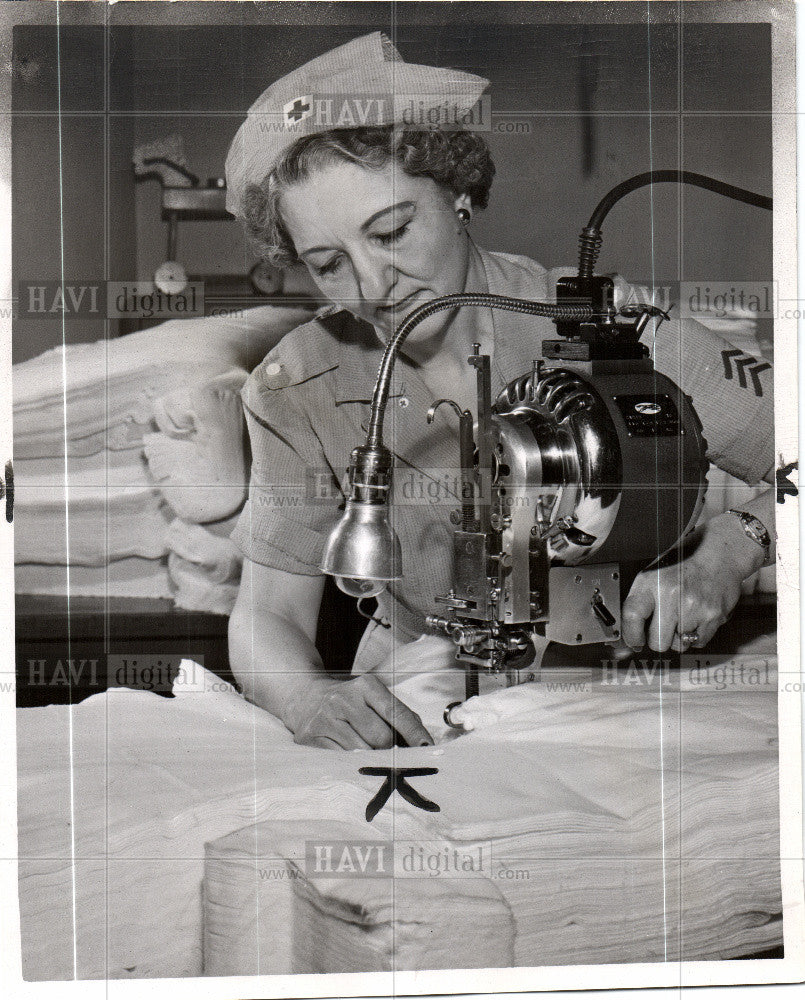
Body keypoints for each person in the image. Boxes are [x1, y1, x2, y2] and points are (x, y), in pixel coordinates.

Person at [226, 32, 775, 750]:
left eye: (391, 231)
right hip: (418, 686)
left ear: (455, 190)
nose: (369, 286)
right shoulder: (297, 385)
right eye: (328, 264)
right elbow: (269, 614)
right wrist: (307, 704)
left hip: (617, 696)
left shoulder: (624, 341)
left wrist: (728, 552)